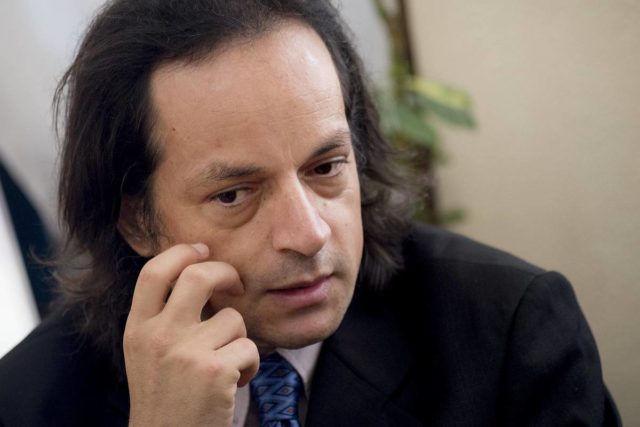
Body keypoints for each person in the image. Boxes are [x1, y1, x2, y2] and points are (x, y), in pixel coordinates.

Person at [0, 0, 621, 425]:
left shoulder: (511, 331)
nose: (309, 233)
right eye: (235, 194)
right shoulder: (29, 399)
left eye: (325, 167)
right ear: (137, 221)